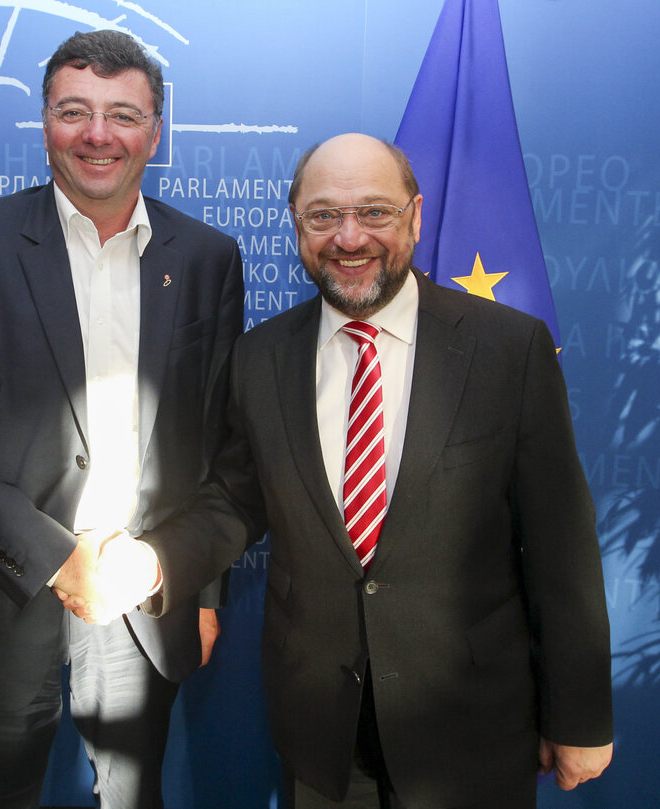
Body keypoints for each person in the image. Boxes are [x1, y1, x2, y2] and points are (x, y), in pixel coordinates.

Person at [65, 133, 613, 808]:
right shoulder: (260, 358)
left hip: (472, 731)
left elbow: (560, 546)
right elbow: (233, 502)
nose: (348, 238)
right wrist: (148, 565)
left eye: (374, 213)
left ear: (414, 216)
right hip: (323, 733)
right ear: (295, 223)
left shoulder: (508, 349)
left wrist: (580, 716)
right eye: (323, 215)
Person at [0, 29, 244, 809]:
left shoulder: (208, 256)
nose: (97, 135)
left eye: (122, 114)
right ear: (43, 123)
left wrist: (201, 591)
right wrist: (52, 556)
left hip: (146, 603)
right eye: (74, 111)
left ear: (155, 132)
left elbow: (217, 441)